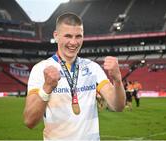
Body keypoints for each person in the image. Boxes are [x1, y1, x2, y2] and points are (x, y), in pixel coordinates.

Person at [23, 12, 126, 141]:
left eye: (78, 36)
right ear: (56, 36)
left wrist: (117, 80)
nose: (73, 42)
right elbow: (29, 121)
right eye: (68, 36)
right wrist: (47, 88)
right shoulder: (40, 69)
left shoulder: (93, 68)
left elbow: (118, 106)